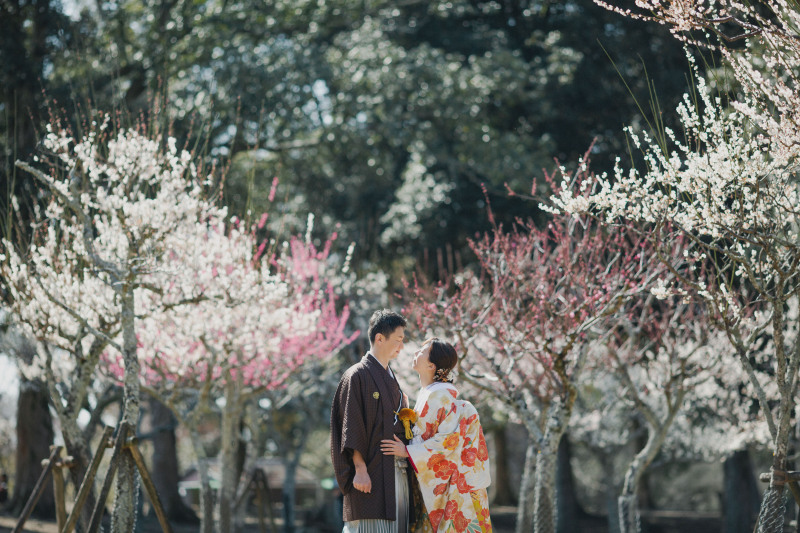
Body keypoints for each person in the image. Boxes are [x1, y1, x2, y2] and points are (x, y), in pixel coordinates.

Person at [380, 339, 492, 533]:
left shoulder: (439, 396)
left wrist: (408, 451)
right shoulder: (431, 394)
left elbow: (448, 442)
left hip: (448, 485)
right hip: (433, 479)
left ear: (431, 365)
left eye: (422, 351)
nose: (416, 352)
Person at [330, 309, 413, 533]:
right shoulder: (357, 375)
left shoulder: (391, 376)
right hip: (370, 474)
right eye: (398, 339)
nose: (401, 346)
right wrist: (360, 469)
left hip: (396, 472)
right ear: (379, 338)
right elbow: (351, 424)